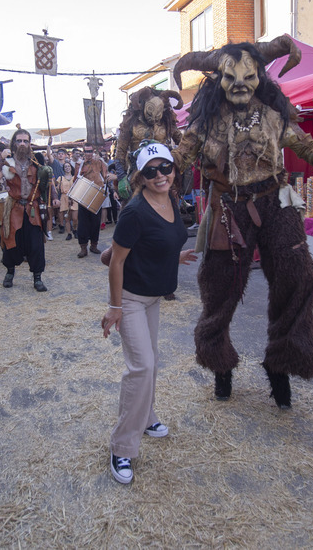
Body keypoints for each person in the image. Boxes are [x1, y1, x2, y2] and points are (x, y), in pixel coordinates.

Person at [170, 36, 313, 407]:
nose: (239, 85)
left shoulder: (272, 116)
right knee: (220, 288)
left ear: (259, 78)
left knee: (299, 276)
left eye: (248, 77)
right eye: (230, 77)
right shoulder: (205, 123)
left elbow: (303, 145)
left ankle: (281, 366)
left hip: (276, 202)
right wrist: (144, 173)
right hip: (229, 207)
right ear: (217, 79)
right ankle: (220, 365)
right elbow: (180, 158)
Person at [101, 141, 197, 484]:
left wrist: (176, 256)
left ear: (174, 168)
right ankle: (121, 447)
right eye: (151, 171)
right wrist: (114, 307)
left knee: (151, 360)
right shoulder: (134, 211)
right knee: (141, 366)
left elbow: (160, 241)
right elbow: (116, 261)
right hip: (130, 299)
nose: (161, 175)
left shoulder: (170, 199)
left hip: (153, 296)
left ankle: (147, 416)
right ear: (140, 176)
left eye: (166, 168)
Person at [0, 129, 48, 292]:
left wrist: (54, 197)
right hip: (14, 208)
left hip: (33, 208)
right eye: (19, 140)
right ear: (13, 143)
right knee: (11, 242)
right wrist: (0, 159)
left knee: (36, 244)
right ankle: (9, 272)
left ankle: (37, 277)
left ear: (30, 144)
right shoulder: (7, 161)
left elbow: (46, 181)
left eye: (25, 141)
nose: (22, 143)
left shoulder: (37, 161)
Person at [75, 145, 115, 258]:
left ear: (93, 151)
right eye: (86, 151)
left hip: (97, 193)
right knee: (83, 223)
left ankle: (94, 245)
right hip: (83, 194)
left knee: (95, 222)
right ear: (83, 152)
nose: (88, 153)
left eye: (90, 151)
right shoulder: (80, 164)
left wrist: (109, 182)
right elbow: (76, 179)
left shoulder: (100, 162)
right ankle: (83, 248)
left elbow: (105, 175)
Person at [57, 160, 78, 240]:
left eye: (68, 166)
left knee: (75, 217)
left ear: (71, 168)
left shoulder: (74, 177)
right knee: (67, 217)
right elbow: (56, 188)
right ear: (63, 168)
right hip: (64, 197)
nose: (67, 168)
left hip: (74, 197)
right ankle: (69, 233)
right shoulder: (60, 178)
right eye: (65, 166)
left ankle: (75, 230)